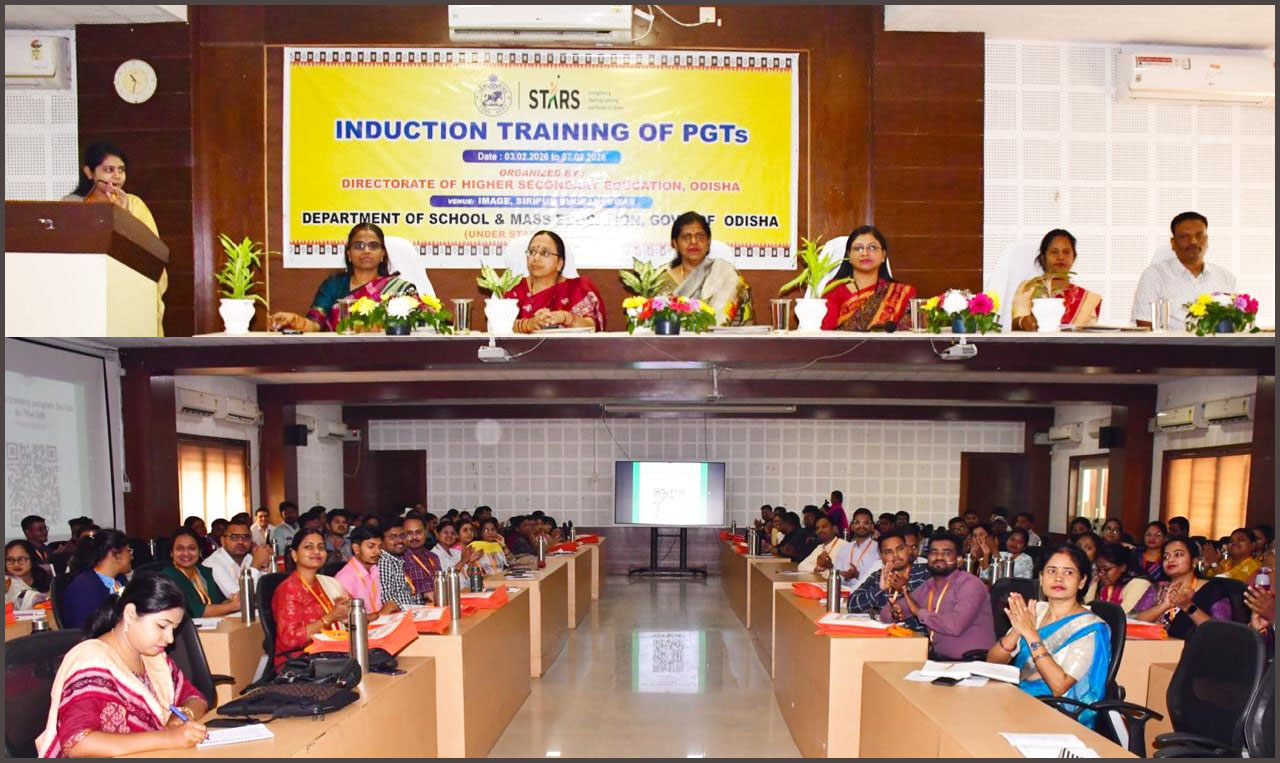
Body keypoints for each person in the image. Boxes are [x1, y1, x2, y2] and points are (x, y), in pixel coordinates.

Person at [35, 574, 209, 756]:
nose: (170, 638)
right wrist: (168, 738)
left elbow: (196, 698)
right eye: (162, 626)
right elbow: (77, 743)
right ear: (130, 614)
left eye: (174, 629)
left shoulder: (152, 657)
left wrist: (182, 716)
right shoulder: (91, 660)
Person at [986, 544, 1110, 728]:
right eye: (1051, 571)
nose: (1058, 578)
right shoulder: (1035, 611)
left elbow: (1059, 687)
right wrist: (1017, 631)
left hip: (1060, 712)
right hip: (1019, 698)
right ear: (1042, 578)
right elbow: (992, 662)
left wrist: (1030, 633)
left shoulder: (1089, 627)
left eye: (1068, 572)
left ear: (1082, 581)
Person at [62, 141, 166, 335]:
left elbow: (153, 255)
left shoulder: (134, 204)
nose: (117, 176)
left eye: (121, 170)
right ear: (89, 172)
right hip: (85, 292)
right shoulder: (71, 205)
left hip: (127, 292)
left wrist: (123, 216)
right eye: (109, 170)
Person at [269, 222, 420, 332]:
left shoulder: (399, 289)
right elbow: (315, 324)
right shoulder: (333, 285)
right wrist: (294, 320)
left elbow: (415, 328)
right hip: (338, 355)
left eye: (373, 246)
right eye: (359, 246)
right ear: (348, 254)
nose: (366, 251)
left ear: (383, 254)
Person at [881, 532, 995, 660]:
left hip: (973, 662)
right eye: (934, 552)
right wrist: (894, 611)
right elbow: (885, 615)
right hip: (939, 660)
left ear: (959, 561)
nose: (939, 557)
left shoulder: (971, 584)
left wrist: (918, 610)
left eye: (946, 553)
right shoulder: (928, 586)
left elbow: (955, 626)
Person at [1132, 212, 1237, 331]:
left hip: (1218, 343)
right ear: (1173, 243)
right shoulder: (1154, 275)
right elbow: (1144, 327)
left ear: (1207, 240)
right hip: (1169, 343)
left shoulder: (1226, 278)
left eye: (1199, 235)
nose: (1193, 241)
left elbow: (1236, 326)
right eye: (1184, 237)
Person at [271, 530, 351, 667]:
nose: (316, 551)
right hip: (302, 662)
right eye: (309, 547)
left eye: (321, 547)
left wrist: (345, 610)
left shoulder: (325, 582)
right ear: (294, 554)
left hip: (332, 651)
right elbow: (290, 639)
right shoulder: (289, 590)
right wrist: (331, 617)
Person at [662, 211, 752, 326]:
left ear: (708, 242)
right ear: (675, 243)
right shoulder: (661, 282)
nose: (693, 242)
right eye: (686, 237)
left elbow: (745, 324)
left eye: (700, 236)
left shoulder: (728, 276)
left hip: (723, 338)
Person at [507, 230, 606, 333]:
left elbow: (591, 327)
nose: (536, 258)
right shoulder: (514, 289)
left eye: (545, 253)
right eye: (532, 252)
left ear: (560, 263)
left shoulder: (577, 288)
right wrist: (528, 324)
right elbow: (501, 325)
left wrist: (565, 317)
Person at [820, 225, 916, 331]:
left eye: (872, 248)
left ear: (883, 255)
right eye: (858, 248)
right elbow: (825, 331)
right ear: (849, 255)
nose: (865, 253)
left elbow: (908, 335)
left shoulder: (901, 293)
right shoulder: (834, 289)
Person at [1131, 538, 1233, 635]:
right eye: (1166, 557)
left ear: (1194, 562)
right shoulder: (1158, 588)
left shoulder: (1212, 589)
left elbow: (1221, 632)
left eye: (1178, 554)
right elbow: (1132, 622)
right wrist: (1164, 606)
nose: (1170, 560)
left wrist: (1187, 606)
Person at [1011, 229, 1101, 331]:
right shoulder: (1028, 288)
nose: (1061, 257)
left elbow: (1088, 334)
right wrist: (1023, 322)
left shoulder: (1087, 299)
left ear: (1074, 257)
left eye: (1066, 252)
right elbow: (1016, 322)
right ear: (1043, 258)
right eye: (1054, 252)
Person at [846, 529, 929, 630]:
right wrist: (879, 589)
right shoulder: (878, 577)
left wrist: (905, 589)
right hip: (885, 635)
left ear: (908, 550)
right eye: (889, 552)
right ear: (882, 557)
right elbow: (852, 606)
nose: (896, 555)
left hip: (918, 636)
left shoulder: (925, 573)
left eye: (900, 549)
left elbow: (928, 611)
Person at [160, 528, 240, 618]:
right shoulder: (169, 575)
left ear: (200, 551)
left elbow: (219, 601)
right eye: (180, 549)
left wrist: (234, 600)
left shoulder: (204, 571)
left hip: (213, 623)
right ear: (171, 553)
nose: (186, 553)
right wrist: (233, 606)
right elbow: (197, 611)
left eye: (192, 548)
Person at [62, 530, 134, 630]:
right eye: (128, 551)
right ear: (116, 555)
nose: (131, 556)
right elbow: (90, 630)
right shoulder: (84, 588)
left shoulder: (120, 579)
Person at [334, 527, 398, 616]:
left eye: (380, 547)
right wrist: (380, 614)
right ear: (356, 548)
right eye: (371, 546)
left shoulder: (376, 569)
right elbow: (347, 619)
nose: (377, 552)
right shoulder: (345, 578)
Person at [201, 518, 269, 598]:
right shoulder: (212, 564)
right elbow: (241, 598)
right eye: (234, 537)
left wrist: (265, 565)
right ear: (223, 541)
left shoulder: (247, 558)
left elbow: (266, 588)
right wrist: (256, 565)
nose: (241, 542)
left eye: (246, 537)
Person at [1084, 542, 1151, 613]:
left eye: (1106, 569)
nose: (1100, 574)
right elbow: (1088, 606)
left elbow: (1122, 614)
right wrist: (1095, 581)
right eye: (1098, 569)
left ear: (1123, 567)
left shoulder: (1140, 583)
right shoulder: (1109, 582)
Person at [377, 520, 420, 608]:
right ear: (381, 540)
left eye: (402, 536)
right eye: (393, 537)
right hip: (400, 614)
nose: (400, 540)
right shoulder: (384, 562)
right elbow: (387, 600)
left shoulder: (397, 560)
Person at [836, 508, 879, 590]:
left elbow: (879, 579)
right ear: (852, 526)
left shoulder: (878, 549)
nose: (861, 526)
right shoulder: (844, 549)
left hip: (867, 593)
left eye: (866, 523)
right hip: (843, 591)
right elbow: (837, 573)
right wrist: (844, 576)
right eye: (857, 522)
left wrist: (858, 575)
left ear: (872, 526)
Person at [401, 516, 442, 603]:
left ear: (426, 532)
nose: (414, 537)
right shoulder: (400, 560)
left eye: (418, 532)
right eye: (409, 533)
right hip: (417, 608)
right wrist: (424, 595)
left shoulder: (434, 557)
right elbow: (402, 595)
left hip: (440, 604)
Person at [5, 539, 53, 609]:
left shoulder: (48, 581)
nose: (16, 564)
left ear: (32, 559)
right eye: (10, 560)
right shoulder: (6, 583)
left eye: (21, 559)